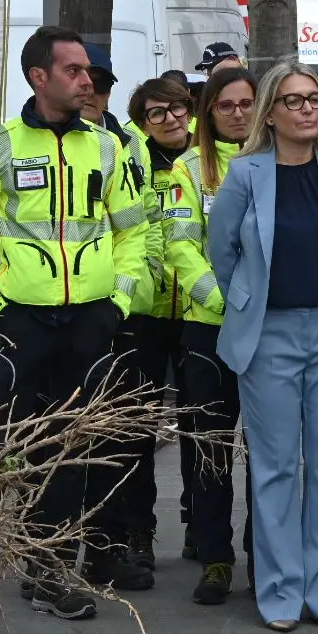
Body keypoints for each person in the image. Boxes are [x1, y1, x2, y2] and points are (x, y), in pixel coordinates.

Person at [0, 26, 150, 629]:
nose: (89, 82)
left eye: (90, 74)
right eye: (76, 71)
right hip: (22, 323)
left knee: (67, 450)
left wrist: (118, 302)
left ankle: (47, 569)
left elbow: (135, 231)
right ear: (40, 77)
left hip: (90, 322)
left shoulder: (107, 147)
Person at [208, 62, 318, 631]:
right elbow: (222, 252)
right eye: (295, 101)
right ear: (270, 113)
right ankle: (279, 589)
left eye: (315, 100)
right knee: (275, 466)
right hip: (268, 334)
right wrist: (251, 303)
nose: (308, 110)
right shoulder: (245, 174)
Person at [76, 44, 161, 592]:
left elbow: (143, 226)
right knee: (61, 436)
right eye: (83, 80)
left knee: (125, 436)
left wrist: (127, 297)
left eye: (102, 85)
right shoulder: (12, 143)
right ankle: (54, 545)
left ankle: (123, 540)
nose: (91, 93)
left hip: (119, 314)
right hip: (46, 314)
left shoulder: (127, 146)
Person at [178, 65, 257, 603]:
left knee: (269, 448)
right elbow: (180, 244)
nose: (237, 113)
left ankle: (266, 551)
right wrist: (226, 300)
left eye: (247, 103)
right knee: (208, 448)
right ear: (208, 113)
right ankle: (214, 557)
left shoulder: (279, 162)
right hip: (209, 327)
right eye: (225, 105)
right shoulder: (189, 168)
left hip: (269, 330)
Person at [124, 77, 198, 581]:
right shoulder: (130, 163)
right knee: (136, 428)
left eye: (178, 109)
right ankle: (137, 533)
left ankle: (200, 525)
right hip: (144, 314)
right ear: (141, 121)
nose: (171, 119)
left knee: (202, 424)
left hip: (199, 311)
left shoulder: (213, 157)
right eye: (156, 113)